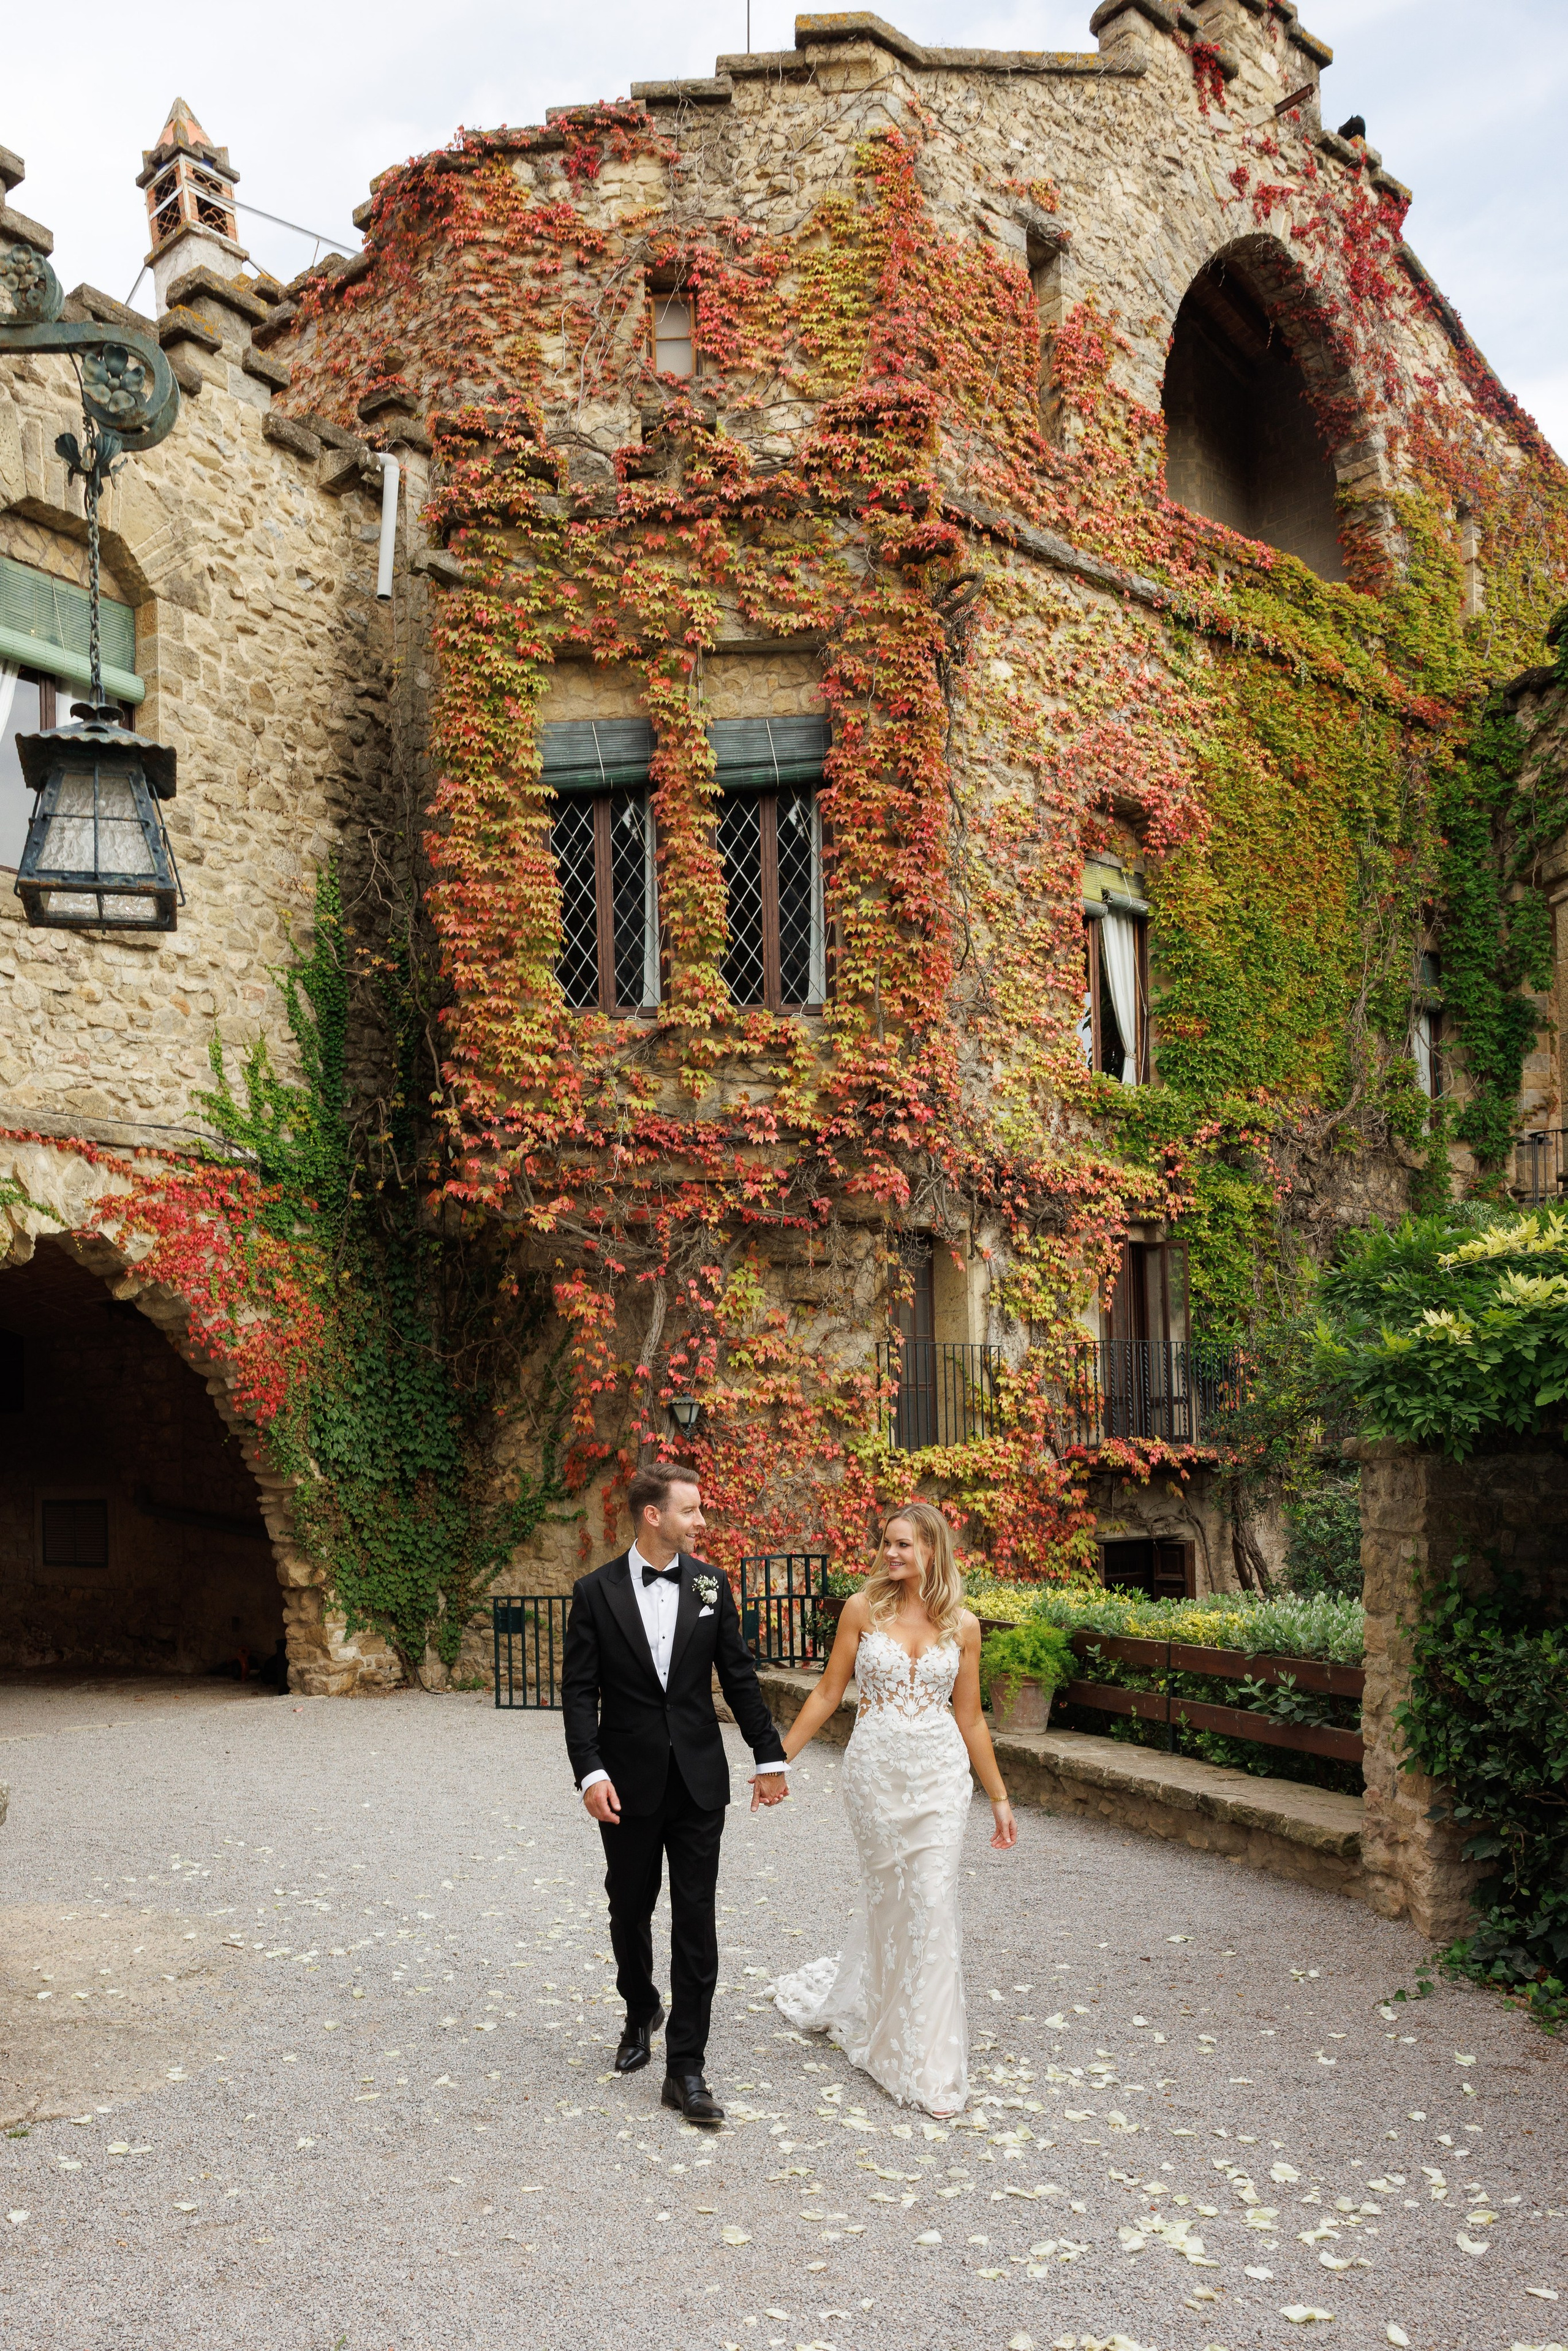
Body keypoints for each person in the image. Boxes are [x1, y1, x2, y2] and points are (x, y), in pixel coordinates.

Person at [768, 1503, 1016, 2116]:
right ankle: (882, 2016)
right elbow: (829, 1692)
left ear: (932, 1550)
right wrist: (777, 1762)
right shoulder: (862, 1609)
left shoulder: (964, 1625)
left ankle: (930, 2064)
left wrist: (1000, 1796)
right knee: (892, 1902)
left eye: (902, 1544)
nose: (889, 1553)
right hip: (875, 1777)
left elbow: (971, 1717)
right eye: (885, 1543)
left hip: (939, 1778)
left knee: (931, 1900)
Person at [561, 1462, 789, 2125]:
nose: (702, 1522)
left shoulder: (713, 1586)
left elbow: (738, 1677)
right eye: (691, 1511)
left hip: (698, 1782)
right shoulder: (594, 1592)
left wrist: (768, 1754)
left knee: (696, 1921)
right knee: (628, 1907)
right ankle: (639, 2007)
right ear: (653, 1515)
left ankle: (686, 2068)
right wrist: (591, 1772)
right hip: (624, 1785)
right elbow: (580, 1692)